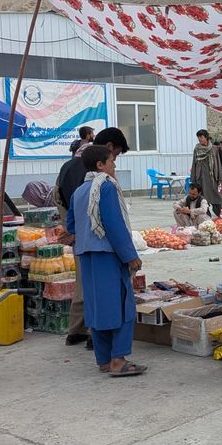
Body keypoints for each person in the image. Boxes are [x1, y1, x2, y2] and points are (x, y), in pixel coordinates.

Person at [67, 145, 146, 377]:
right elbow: (114, 223)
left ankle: (103, 359)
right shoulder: (106, 186)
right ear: (101, 165)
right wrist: (130, 255)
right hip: (107, 254)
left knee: (96, 307)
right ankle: (118, 360)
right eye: (112, 161)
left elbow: (72, 226)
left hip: (86, 255)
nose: (115, 165)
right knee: (122, 306)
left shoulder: (80, 191)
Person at [54, 127, 129, 347]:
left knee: (83, 281)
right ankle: (95, 336)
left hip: (78, 234)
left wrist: (71, 229)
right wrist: (128, 254)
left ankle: (76, 330)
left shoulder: (68, 166)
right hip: (98, 240)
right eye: (114, 157)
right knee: (101, 290)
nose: (114, 163)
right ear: (108, 150)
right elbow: (110, 220)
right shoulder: (100, 183)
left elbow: (61, 198)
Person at [191, 129, 222, 216]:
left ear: (206, 137)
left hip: (212, 178)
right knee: (202, 198)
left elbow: (218, 163)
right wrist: (193, 178)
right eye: (198, 137)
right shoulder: (197, 149)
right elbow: (194, 163)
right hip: (200, 178)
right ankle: (206, 216)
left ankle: (221, 214)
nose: (200, 139)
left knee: (216, 198)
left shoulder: (214, 149)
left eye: (201, 137)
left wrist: (220, 177)